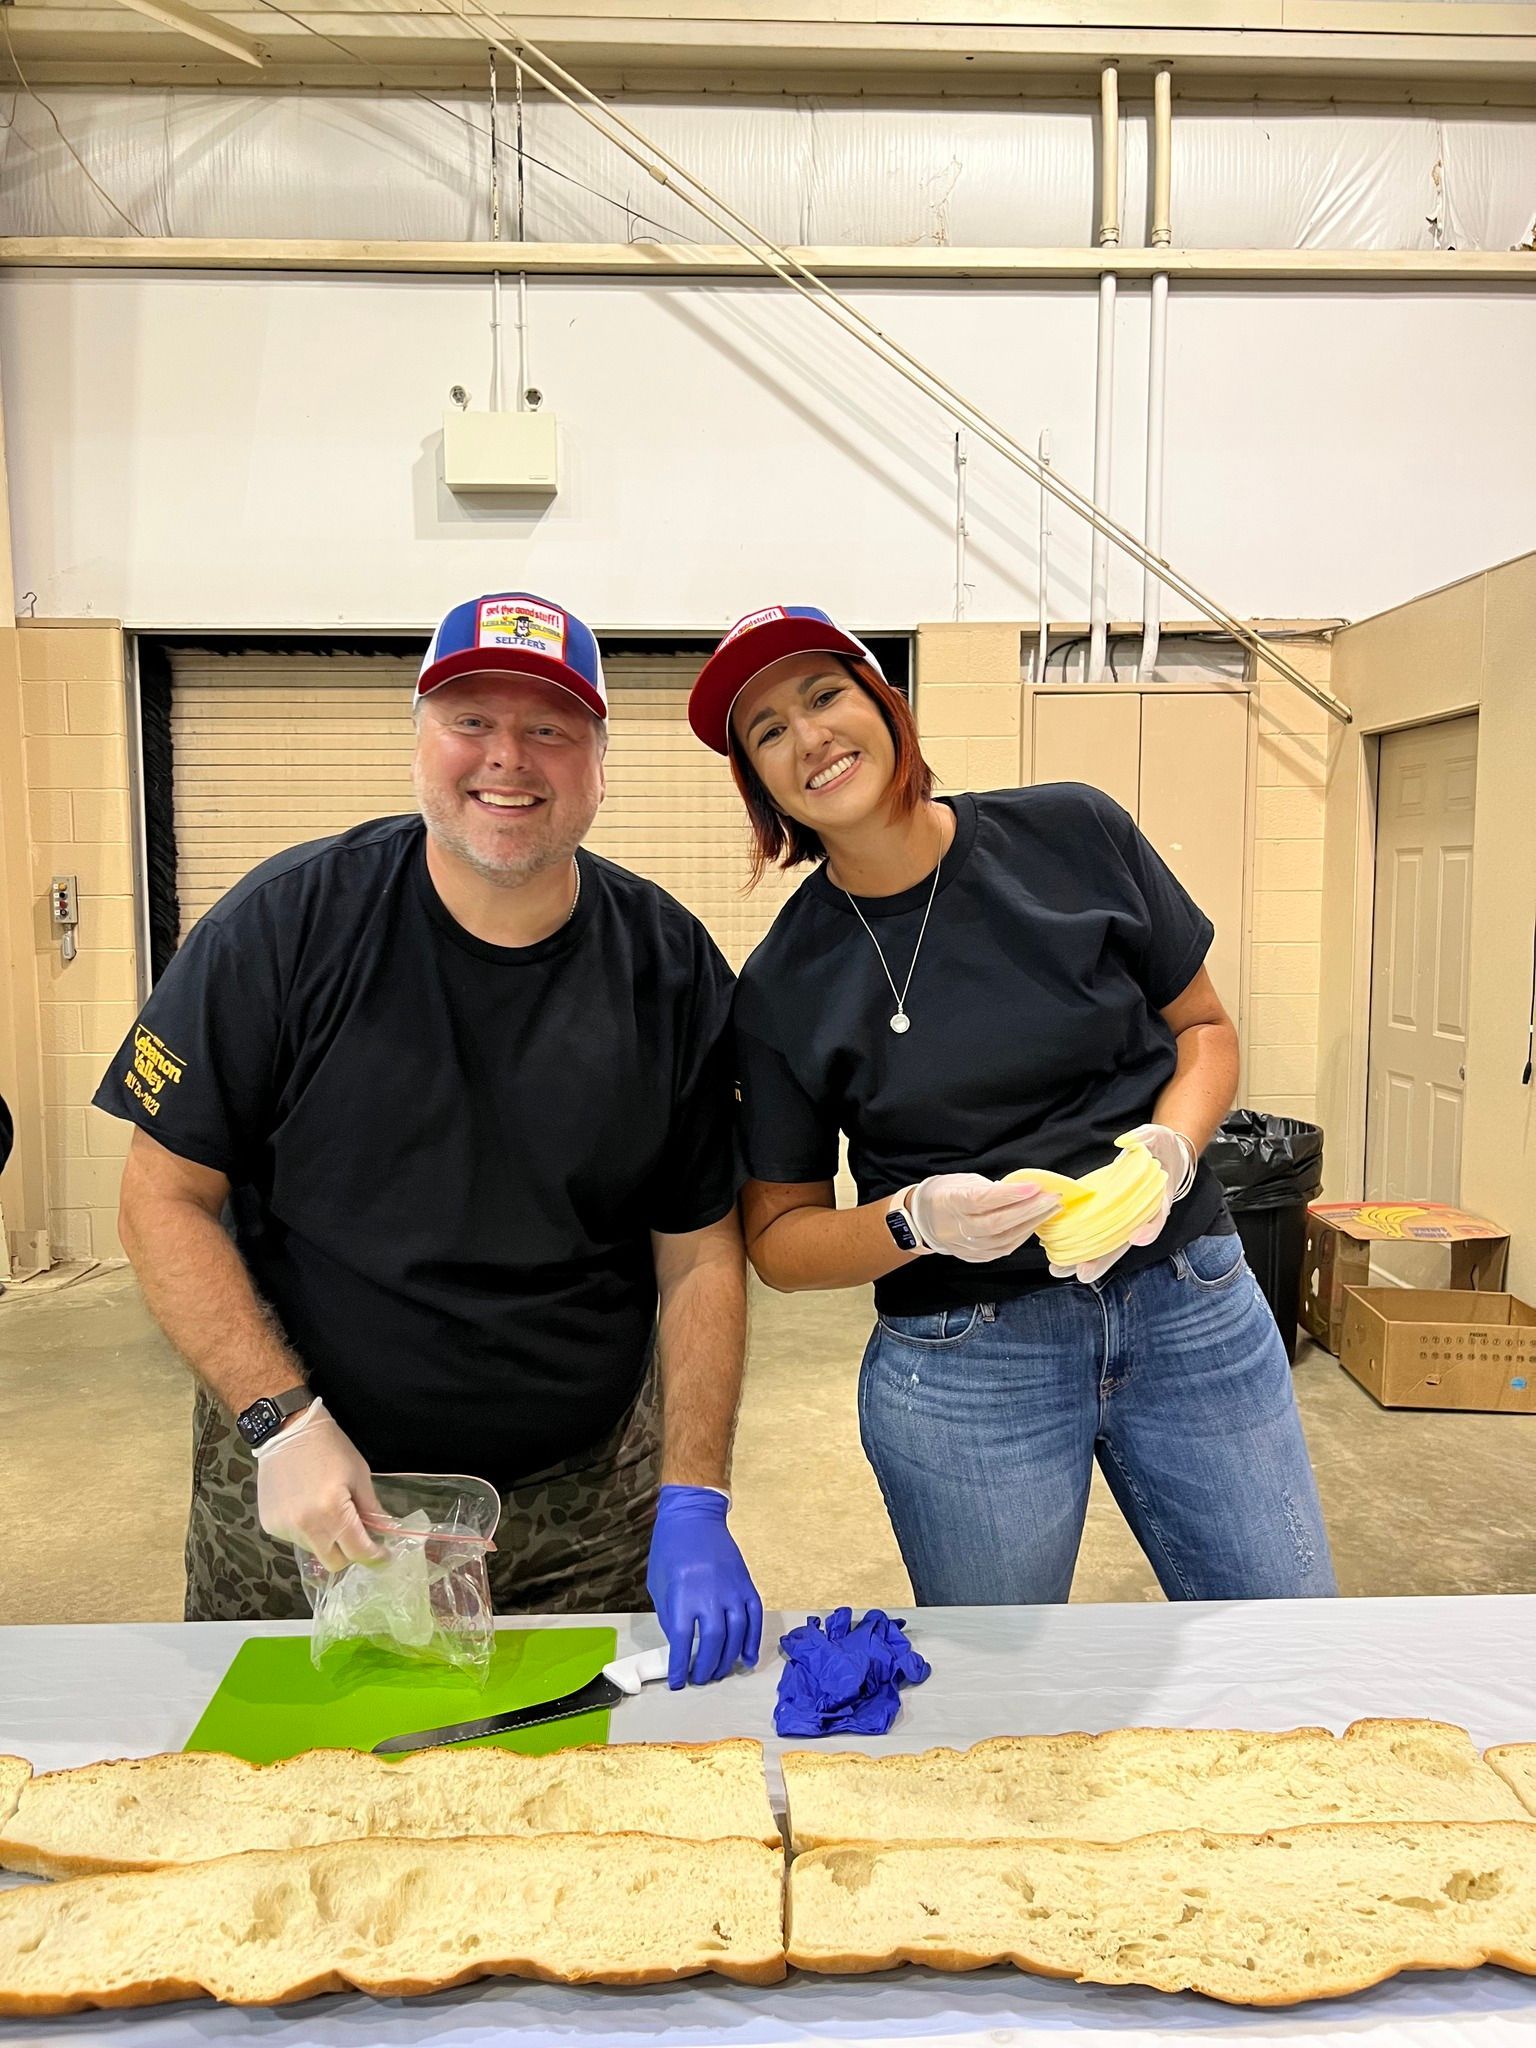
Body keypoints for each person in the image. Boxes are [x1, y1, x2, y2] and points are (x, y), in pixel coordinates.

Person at [95, 590, 761, 1685]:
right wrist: (281, 1422)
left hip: (582, 1515)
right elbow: (159, 1198)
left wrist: (696, 1496)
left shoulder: (670, 968)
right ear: (420, 739)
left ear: (599, 761)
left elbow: (697, 1251)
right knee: (287, 1799)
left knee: (568, 1812)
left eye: (550, 726)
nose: (509, 757)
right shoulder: (283, 929)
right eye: (472, 720)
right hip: (313, 1502)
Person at [688, 605, 1336, 1607]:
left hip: (1190, 1302)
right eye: (768, 730)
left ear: (886, 706)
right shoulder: (782, 984)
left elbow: (1205, 1029)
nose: (808, 736)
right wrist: (915, 1221)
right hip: (969, 1359)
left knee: (1287, 1637)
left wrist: (1172, 1144)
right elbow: (779, 1238)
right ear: (759, 785)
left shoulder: (1072, 832)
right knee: (1006, 1698)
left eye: (825, 695)